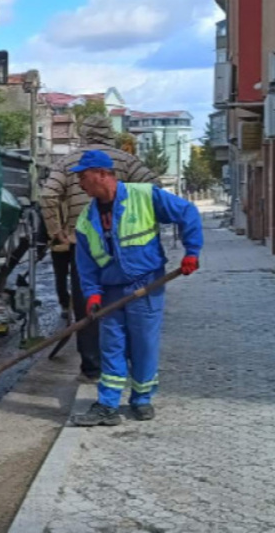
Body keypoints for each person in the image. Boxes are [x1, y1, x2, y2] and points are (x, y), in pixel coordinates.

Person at [69, 150, 202, 426]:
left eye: (84, 176)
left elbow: (186, 211)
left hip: (146, 284)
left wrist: (192, 251)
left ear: (103, 174)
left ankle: (141, 399)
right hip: (110, 291)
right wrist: (92, 294)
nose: (80, 183)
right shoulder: (85, 220)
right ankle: (107, 403)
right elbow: (85, 263)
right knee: (111, 346)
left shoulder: (144, 196)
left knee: (143, 344)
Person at [40, 115, 160, 382]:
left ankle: (92, 368)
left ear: (83, 134)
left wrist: (57, 232)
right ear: (110, 133)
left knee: (87, 308)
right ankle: (129, 365)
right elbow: (153, 188)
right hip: (124, 246)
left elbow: (47, 195)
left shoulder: (68, 162)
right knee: (127, 304)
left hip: (81, 247)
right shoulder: (126, 161)